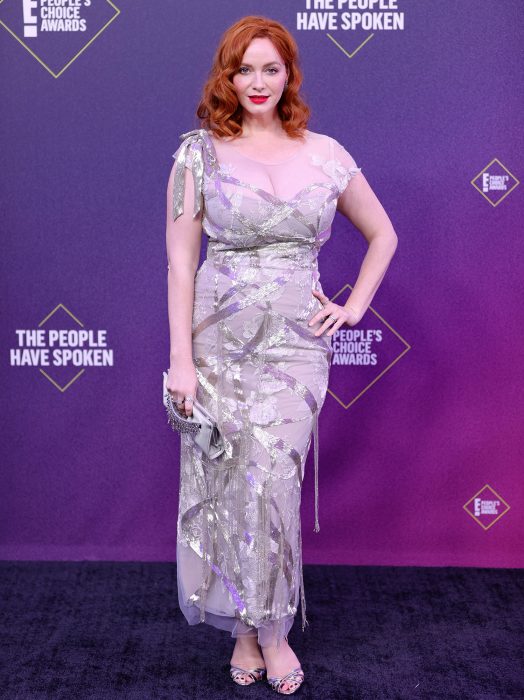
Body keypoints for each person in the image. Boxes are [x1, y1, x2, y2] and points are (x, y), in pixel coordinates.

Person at [165, 14, 398, 695]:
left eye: (270, 68)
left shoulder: (326, 153)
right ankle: (246, 630)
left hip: (295, 350)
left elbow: (382, 233)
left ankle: (272, 630)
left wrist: (353, 306)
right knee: (231, 484)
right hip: (218, 344)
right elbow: (180, 264)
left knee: (273, 482)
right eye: (244, 70)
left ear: (289, 74)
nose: (257, 82)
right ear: (226, 78)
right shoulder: (196, 156)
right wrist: (181, 359)